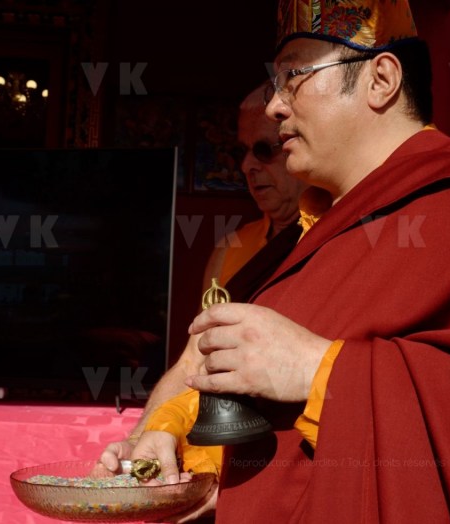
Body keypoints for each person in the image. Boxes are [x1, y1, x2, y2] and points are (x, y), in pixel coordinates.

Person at [135, 2, 450, 522]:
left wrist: (316, 368)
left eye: (294, 75)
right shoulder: (305, 234)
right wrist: (167, 437)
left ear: (381, 79)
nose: (275, 106)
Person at [97, 82, 305, 488]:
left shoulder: (335, 241)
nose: (247, 165)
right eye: (241, 151)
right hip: (197, 469)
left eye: (264, 149)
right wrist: (140, 440)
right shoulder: (232, 248)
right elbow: (194, 361)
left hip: (268, 473)